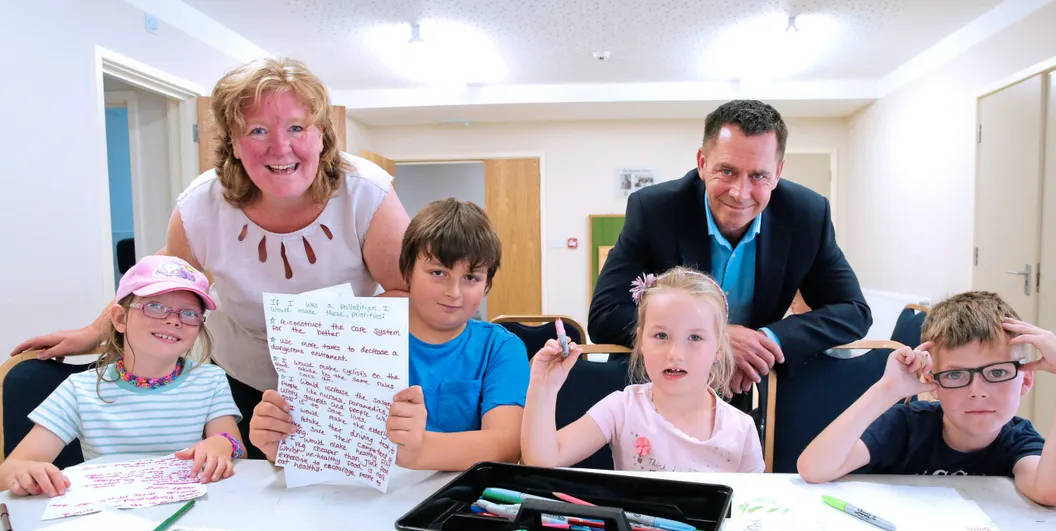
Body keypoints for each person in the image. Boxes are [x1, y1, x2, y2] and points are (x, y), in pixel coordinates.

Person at [12, 59, 411, 458]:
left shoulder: (366, 192)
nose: (281, 147)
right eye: (257, 130)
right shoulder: (203, 202)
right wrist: (95, 332)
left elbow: (408, 290)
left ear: (321, 134)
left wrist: (319, 336)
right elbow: (163, 279)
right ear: (233, 144)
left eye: (296, 127)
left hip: (344, 379)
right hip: (242, 373)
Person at [589, 100, 871, 400]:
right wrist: (716, 339)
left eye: (758, 176)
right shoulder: (654, 210)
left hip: (748, 386)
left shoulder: (807, 215)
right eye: (726, 171)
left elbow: (853, 311)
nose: (740, 193)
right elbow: (605, 316)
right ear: (702, 163)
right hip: (658, 390)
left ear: (778, 172)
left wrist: (768, 339)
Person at [249, 199, 529, 470]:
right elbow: (318, 435)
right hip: (357, 499)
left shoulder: (501, 348)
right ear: (407, 272)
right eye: (437, 273)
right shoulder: (352, 336)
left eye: (471, 278)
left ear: (487, 284)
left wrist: (418, 450)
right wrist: (282, 445)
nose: (454, 292)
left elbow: (506, 444)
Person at [797, 291, 1056, 507]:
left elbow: (1053, 492)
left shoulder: (1017, 440)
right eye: (956, 375)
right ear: (933, 383)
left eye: (997, 372)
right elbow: (815, 468)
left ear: (1025, 380)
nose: (977, 390)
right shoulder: (907, 426)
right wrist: (887, 390)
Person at [0, 256, 245, 497]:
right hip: (106, 517)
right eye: (155, 307)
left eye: (189, 313)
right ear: (119, 319)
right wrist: (27, 473)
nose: (173, 320)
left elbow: (236, 447)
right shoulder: (79, 390)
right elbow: (9, 471)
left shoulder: (210, 381)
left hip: (188, 512)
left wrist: (222, 444)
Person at [522, 267, 764, 473]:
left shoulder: (740, 430)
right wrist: (543, 388)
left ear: (719, 348)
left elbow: (753, 509)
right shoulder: (621, 408)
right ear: (641, 342)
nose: (675, 354)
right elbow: (543, 459)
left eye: (695, 337)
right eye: (661, 335)